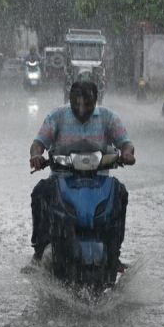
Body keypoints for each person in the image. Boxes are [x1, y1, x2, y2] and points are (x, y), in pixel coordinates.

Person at [29, 80, 135, 263]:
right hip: (61, 181)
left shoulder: (108, 117)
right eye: (76, 104)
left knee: (120, 193)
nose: (81, 109)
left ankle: (114, 251)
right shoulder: (57, 116)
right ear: (69, 99)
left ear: (96, 100)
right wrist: (36, 156)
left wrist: (126, 153)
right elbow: (38, 143)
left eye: (87, 104)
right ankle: (39, 251)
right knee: (40, 192)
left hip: (100, 181)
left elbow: (126, 142)